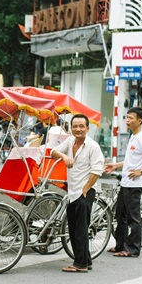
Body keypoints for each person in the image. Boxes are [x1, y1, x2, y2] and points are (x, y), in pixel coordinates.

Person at [104, 107, 142, 258]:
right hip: (126, 183)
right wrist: (116, 165)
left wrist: (141, 171)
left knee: (133, 218)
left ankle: (133, 249)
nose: (127, 120)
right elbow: (132, 160)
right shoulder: (134, 136)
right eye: (127, 117)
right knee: (120, 216)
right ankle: (120, 245)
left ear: (139, 121)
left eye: (131, 118)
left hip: (134, 184)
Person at [52, 114, 105, 273]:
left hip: (85, 192)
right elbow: (54, 151)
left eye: (81, 126)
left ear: (87, 128)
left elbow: (97, 170)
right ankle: (86, 260)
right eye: (75, 126)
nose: (78, 129)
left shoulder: (93, 146)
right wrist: (64, 156)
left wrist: (85, 189)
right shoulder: (70, 141)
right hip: (72, 192)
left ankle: (80, 264)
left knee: (80, 229)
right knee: (74, 228)